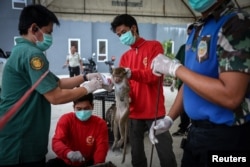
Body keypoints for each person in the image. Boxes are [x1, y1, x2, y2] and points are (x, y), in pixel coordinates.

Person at [0, 4, 105, 167]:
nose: (50, 37)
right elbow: (55, 96)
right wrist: (88, 88)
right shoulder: (33, 55)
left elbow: (58, 82)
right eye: (48, 32)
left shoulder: (20, 50)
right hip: (21, 143)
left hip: (17, 137)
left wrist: (85, 76)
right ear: (34, 28)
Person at [149, 0, 250, 166]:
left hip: (228, 137)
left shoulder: (236, 23)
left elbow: (231, 96)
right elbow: (191, 81)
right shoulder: (199, 28)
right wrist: (169, 118)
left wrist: (176, 69)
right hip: (196, 133)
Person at [110, 14, 177, 167]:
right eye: (119, 35)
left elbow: (155, 76)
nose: (121, 37)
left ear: (133, 28)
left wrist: (133, 73)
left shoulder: (154, 46)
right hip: (133, 112)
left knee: (166, 154)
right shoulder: (125, 57)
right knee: (137, 155)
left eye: (123, 32)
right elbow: (125, 86)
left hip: (155, 112)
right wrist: (116, 84)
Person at [46, 93, 109, 167]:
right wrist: (69, 153)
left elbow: (101, 147)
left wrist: (98, 164)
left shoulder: (100, 124)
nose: (82, 112)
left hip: (87, 162)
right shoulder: (66, 120)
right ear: (74, 107)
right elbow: (56, 142)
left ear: (92, 106)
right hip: (66, 161)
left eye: (86, 108)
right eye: (79, 109)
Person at [171, 24, 193, 137]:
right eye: (189, 34)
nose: (190, 37)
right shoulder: (184, 48)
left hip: (198, 83)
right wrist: (174, 80)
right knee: (184, 107)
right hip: (184, 82)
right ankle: (183, 127)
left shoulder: (204, 47)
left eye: (192, 34)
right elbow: (176, 63)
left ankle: (192, 127)